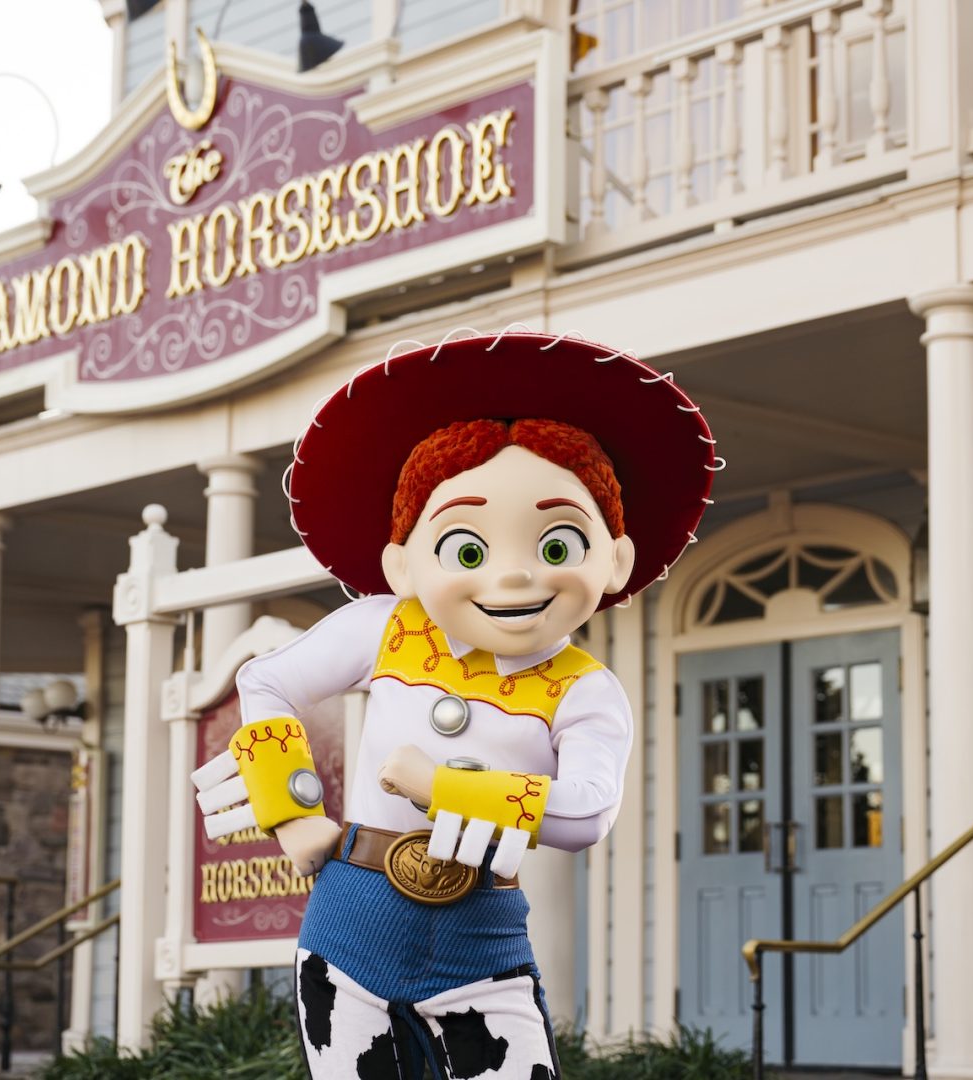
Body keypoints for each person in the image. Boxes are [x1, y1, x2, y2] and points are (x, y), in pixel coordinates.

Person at [191, 329, 717, 1079]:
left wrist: (442, 788)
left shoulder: (585, 690)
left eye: (558, 545)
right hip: (351, 916)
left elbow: (588, 811)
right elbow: (265, 682)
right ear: (402, 564)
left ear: (617, 559)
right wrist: (295, 807)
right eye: (468, 551)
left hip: (481, 933)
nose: (509, 577)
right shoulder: (386, 626)